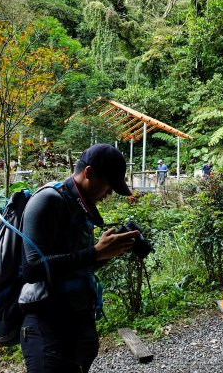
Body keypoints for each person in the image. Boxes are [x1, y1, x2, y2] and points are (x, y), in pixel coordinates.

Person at [19, 144, 139, 372]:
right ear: (89, 173)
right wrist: (96, 252)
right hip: (48, 329)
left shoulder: (81, 207)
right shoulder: (48, 200)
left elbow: (76, 266)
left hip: (77, 323)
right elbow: (32, 269)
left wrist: (108, 253)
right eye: (109, 185)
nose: (110, 193)